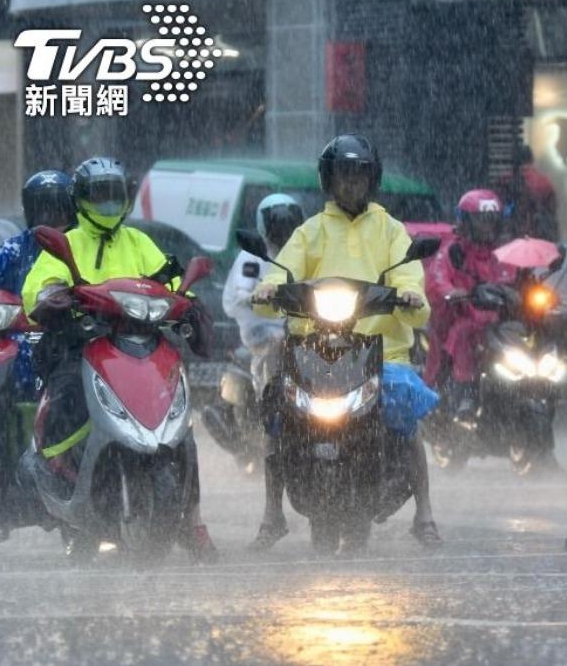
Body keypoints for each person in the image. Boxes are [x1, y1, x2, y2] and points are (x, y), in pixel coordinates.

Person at [21, 156, 218, 562]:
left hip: (142, 345)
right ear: (81, 200)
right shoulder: (69, 242)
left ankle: (193, 520)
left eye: (115, 195)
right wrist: (52, 297)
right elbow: (37, 287)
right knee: (67, 398)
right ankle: (61, 471)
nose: (108, 204)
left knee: (182, 429)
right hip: (83, 343)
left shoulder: (138, 242)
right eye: (99, 195)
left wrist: (190, 303)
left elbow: (172, 282)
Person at [253, 134, 443, 548]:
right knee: (276, 407)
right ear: (330, 179)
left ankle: (424, 514)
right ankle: (272, 515)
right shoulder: (310, 232)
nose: (351, 183)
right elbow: (281, 271)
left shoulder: (393, 232)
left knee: (405, 415)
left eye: (359, 175)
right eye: (344, 175)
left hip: (381, 351)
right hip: (314, 348)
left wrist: (410, 296)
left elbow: (410, 278)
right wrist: (269, 289)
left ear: (371, 179)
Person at [0, 170, 75, 543]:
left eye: (57, 207)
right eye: (42, 207)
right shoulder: (15, 250)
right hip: (17, 351)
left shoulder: (80, 246)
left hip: (70, 349)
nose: (50, 215)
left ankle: (79, 493)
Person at [213, 193, 303, 551]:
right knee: (275, 422)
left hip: (310, 341)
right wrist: (259, 297)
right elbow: (234, 297)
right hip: (267, 343)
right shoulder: (252, 257)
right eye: (276, 221)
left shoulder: (308, 249)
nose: (283, 228)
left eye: (288, 220)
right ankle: (273, 514)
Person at [422, 188, 515, 421]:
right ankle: (466, 393)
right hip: (460, 320)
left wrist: (521, 293)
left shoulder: (504, 252)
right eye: (481, 220)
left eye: (492, 220)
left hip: (498, 325)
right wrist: (456, 293)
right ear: (466, 222)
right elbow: (436, 280)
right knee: (463, 333)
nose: (488, 226)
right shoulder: (453, 250)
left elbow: (517, 279)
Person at [495, 145, 559, 243]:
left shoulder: (505, 181)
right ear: (531, 159)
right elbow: (552, 211)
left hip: (514, 235)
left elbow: (501, 208)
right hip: (540, 235)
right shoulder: (544, 182)